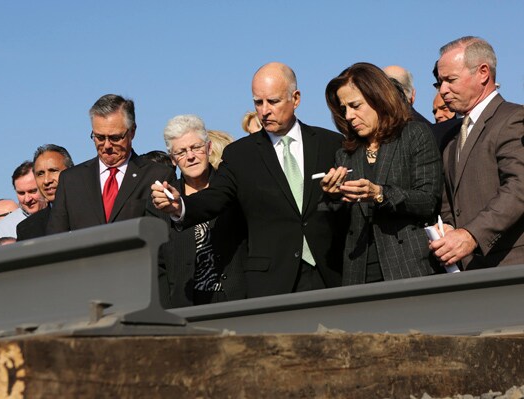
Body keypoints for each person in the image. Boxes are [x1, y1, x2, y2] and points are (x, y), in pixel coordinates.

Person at [152, 62, 344, 298]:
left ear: (295, 98)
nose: (264, 111)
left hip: (330, 274)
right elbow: (216, 196)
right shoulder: (240, 154)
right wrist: (180, 206)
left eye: (272, 101)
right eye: (257, 102)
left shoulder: (331, 145)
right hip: (272, 283)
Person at [322, 62, 443, 285]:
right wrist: (332, 196)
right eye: (344, 109)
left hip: (409, 267)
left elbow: (428, 200)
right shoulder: (345, 153)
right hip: (359, 272)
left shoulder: (414, 134)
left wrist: (380, 194)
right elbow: (339, 224)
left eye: (355, 105)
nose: (349, 115)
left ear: (378, 98)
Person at [430, 36, 524, 270]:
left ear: (483, 73)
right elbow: (451, 199)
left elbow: (519, 187)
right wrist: (449, 227)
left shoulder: (514, 119)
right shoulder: (451, 137)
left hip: (511, 266)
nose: (443, 90)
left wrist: (471, 235)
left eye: (450, 80)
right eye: (439, 82)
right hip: (471, 272)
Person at [148, 115, 246, 308]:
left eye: (196, 148)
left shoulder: (235, 189)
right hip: (187, 306)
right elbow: (158, 267)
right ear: (173, 160)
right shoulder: (160, 204)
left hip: (238, 301)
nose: (190, 156)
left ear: (209, 148)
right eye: (181, 152)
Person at [47, 94, 176, 233]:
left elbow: (164, 239)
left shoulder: (157, 176)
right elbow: (55, 239)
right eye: (100, 137)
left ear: (132, 131)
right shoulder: (71, 180)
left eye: (115, 138)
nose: (107, 145)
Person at [16, 144, 74, 240]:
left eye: (53, 171)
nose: (46, 181)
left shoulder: (94, 209)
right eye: (40, 174)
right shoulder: (27, 229)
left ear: (71, 171)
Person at [0, 161, 47, 246]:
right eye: (21, 193)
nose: (27, 199)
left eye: (32, 191)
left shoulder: (61, 212)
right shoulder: (5, 228)